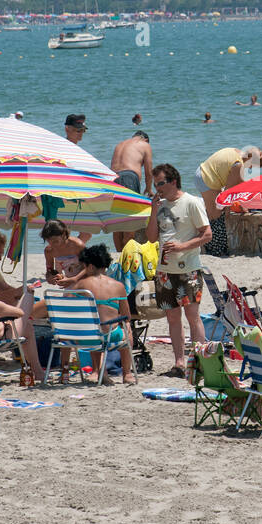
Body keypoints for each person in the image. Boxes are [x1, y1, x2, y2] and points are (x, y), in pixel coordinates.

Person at [146, 163, 211, 376]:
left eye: (161, 183)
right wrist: (154, 209)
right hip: (164, 270)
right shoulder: (161, 204)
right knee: (172, 317)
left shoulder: (191, 203)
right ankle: (179, 363)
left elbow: (206, 234)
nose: (158, 188)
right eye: (156, 185)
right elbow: (151, 237)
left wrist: (183, 246)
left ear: (174, 181)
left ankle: (200, 363)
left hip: (189, 269)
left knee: (192, 315)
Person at [70, 245, 135, 384]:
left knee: (93, 325)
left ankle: (98, 370)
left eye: (84, 267)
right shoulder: (118, 286)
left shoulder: (80, 285)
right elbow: (126, 315)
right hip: (110, 335)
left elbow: (70, 308)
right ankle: (127, 374)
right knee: (126, 332)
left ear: (91, 266)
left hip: (84, 337)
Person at [110, 130, 154, 249]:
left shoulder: (120, 144)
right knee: (131, 221)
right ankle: (127, 253)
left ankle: (120, 253)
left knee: (117, 222)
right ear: (146, 139)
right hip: (129, 178)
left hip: (113, 179)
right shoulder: (144, 144)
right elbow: (149, 171)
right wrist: (149, 189)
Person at [194, 147, 259, 219]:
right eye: (252, 165)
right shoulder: (238, 166)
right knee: (215, 214)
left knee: (216, 208)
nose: (250, 168)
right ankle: (199, 224)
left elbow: (238, 184)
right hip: (206, 178)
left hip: (202, 171)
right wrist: (227, 215)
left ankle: (200, 217)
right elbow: (227, 192)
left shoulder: (236, 151)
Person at [41, 220, 86, 286]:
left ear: (64, 235)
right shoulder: (49, 250)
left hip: (84, 280)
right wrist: (51, 277)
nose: (53, 245)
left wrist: (74, 279)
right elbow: (49, 270)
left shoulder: (77, 245)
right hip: (68, 281)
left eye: (55, 241)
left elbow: (89, 268)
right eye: (48, 241)